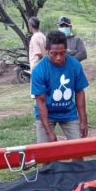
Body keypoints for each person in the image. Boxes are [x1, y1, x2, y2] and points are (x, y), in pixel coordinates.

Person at [31, 30, 89, 161]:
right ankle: (49, 180)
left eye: (62, 53)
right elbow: (41, 102)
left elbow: (79, 92)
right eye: (54, 54)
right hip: (47, 114)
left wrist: (83, 121)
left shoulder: (75, 65)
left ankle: (78, 179)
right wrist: (48, 132)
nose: (58, 58)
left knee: (78, 151)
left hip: (68, 112)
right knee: (45, 155)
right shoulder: (39, 70)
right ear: (46, 50)